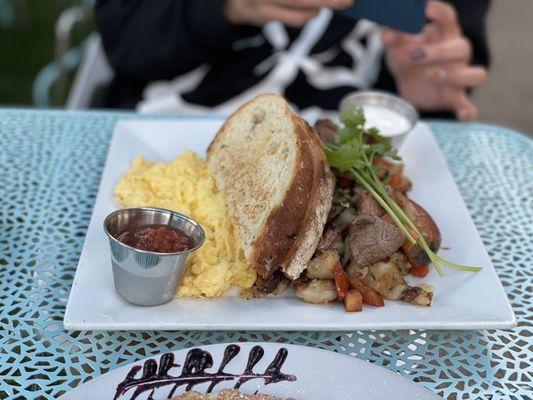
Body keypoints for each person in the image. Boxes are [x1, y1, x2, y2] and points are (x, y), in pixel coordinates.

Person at [95, 0, 490, 120]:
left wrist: (415, 89)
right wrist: (226, 8)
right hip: (163, 126)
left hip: (348, 147)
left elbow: (452, 58)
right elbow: (125, 44)